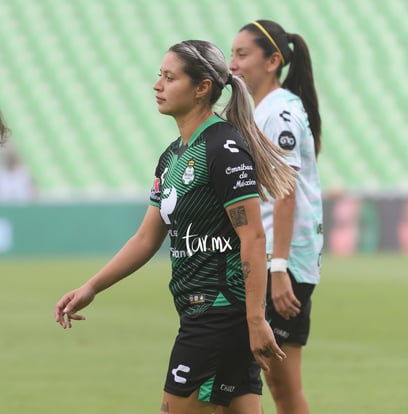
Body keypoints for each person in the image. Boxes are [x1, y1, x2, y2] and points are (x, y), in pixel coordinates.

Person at [55, 39, 296, 414]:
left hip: (219, 314)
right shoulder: (172, 156)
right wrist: (92, 287)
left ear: (202, 88)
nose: (158, 85)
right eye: (159, 76)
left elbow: (253, 235)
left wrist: (254, 319)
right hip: (205, 313)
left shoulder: (224, 148)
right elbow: (146, 237)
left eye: (170, 78)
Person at [223, 20, 324, 414]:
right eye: (231, 53)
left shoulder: (278, 113)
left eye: (242, 54)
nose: (233, 63)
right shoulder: (262, 109)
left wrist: (280, 268)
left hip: (283, 264)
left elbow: (286, 193)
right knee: (252, 381)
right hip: (269, 260)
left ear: (273, 61)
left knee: (280, 385)